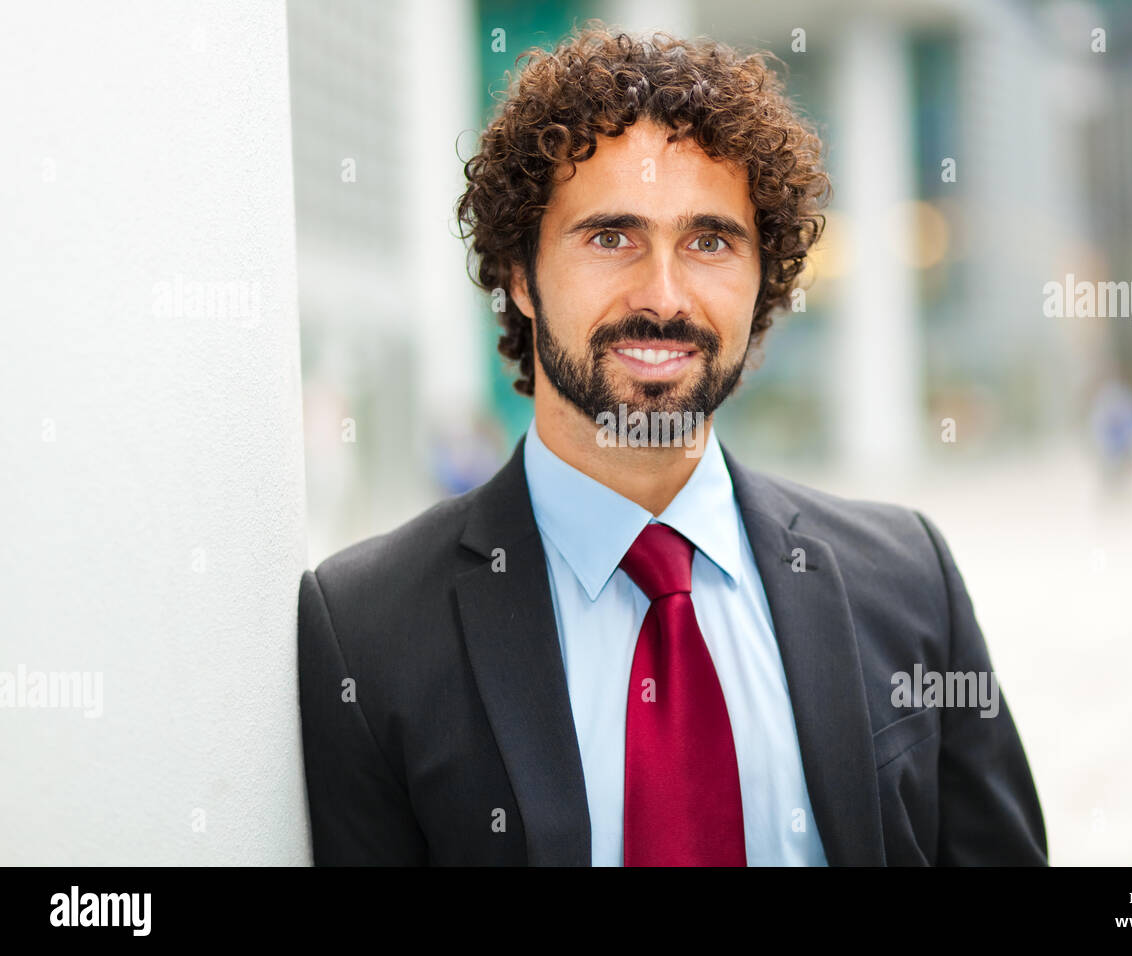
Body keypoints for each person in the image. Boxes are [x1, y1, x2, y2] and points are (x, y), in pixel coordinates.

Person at [296, 23, 1047, 867]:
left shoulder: (910, 578)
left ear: (767, 279)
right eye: (610, 236)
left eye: (710, 241)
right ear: (518, 274)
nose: (663, 294)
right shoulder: (364, 629)